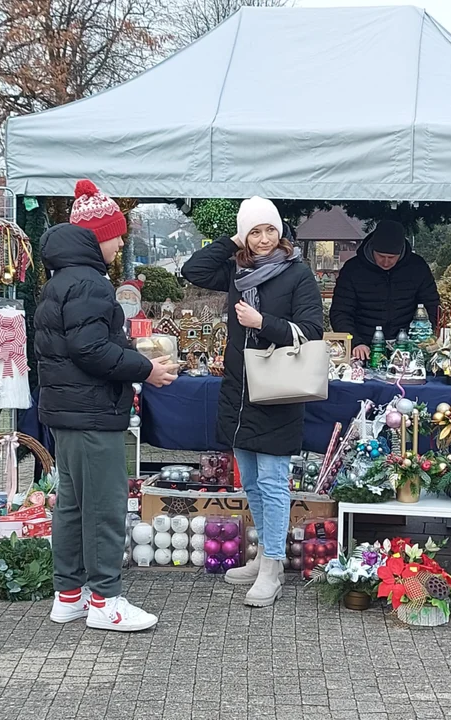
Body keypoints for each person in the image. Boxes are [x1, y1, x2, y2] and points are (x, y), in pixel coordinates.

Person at [35, 179, 178, 632]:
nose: (121, 243)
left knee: (74, 506)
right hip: (92, 412)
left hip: (68, 412)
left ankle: (70, 595)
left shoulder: (61, 280)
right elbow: (91, 351)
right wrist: (144, 368)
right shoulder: (91, 285)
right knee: (104, 509)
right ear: (99, 236)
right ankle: (105, 601)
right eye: (118, 234)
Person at [182, 197, 323, 607]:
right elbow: (193, 269)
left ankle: (274, 567)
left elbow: (312, 330)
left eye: (270, 230)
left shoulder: (298, 274)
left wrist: (264, 324)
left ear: (282, 233)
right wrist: (233, 238)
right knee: (252, 485)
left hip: (278, 391)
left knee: (275, 483)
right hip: (239, 391)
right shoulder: (237, 269)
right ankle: (263, 554)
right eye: (255, 232)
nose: (263, 240)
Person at [330, 218, 439, 361]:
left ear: (401, 252)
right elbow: (340, 312)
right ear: (372, 248)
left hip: (409, 346)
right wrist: (355, 342)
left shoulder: (417, 267)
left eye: (392, 257)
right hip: (364, 348)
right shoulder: (353, 269)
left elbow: (432, 306)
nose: (386, 262)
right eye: (381, 256)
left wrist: (423, 340)